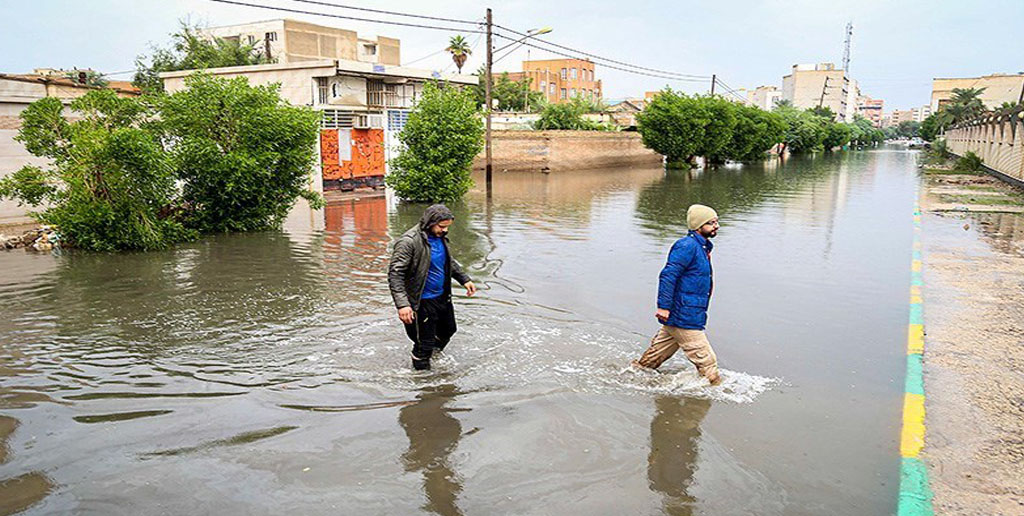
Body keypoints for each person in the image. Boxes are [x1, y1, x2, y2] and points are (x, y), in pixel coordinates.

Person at [633, 204, 722, 385]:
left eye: (716, 222)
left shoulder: (702, 248)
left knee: (649, 363)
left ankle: (629, 377)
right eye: (712, 223)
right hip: (685, 315)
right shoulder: (687, 246)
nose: (716, 226)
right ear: (699, 225)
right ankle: (714, 396)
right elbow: (668, 275)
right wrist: (663, 307)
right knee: (708, 364)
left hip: (685, 312)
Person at [388, 204, 476, 370]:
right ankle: (424, 383)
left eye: (447, 227)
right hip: (421, 302)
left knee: (449, 330)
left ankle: (430, 354)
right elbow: (395, 274)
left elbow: (447, 261)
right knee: (424, 343)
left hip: (442, 297)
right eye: (441, 227)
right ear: (430, 222)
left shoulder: (440, 237)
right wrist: (403, 305)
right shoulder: (408, 242)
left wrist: (464, 279)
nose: (444, 231)